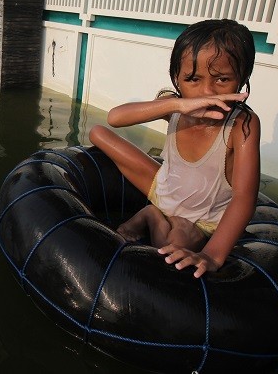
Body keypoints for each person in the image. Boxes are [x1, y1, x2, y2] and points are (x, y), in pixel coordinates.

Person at [88, 19, 260, 278]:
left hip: (200, 219)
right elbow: (115, 118)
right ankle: (154, 211)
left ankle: (153, 216)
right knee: (97, 133)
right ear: (176, 77)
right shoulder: (175, 106)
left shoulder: (242, 124)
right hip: (163, 188)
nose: (207, 92)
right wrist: (177, 105)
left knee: (171, 247)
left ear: (242, 78)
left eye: (222, 79)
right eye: (192, 79)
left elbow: (244, 197)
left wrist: (212, 255)